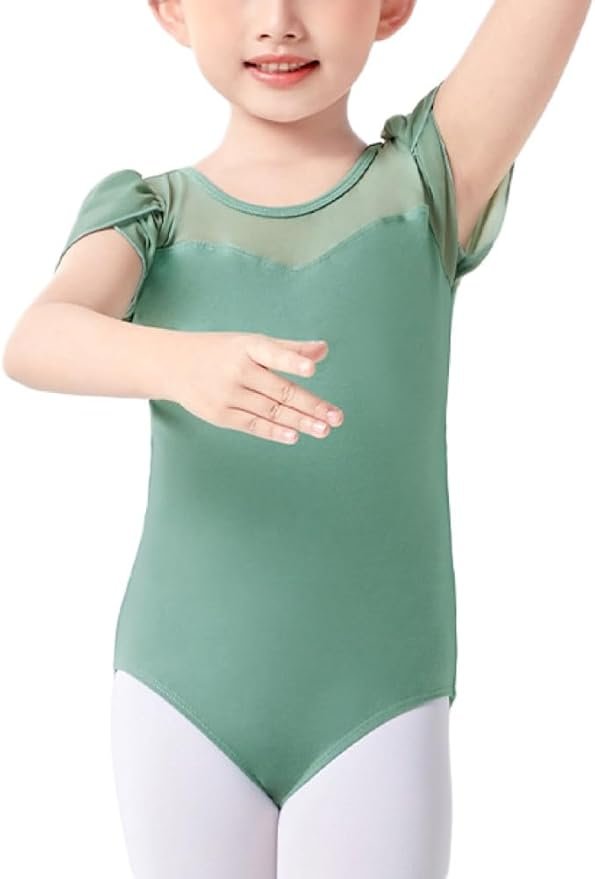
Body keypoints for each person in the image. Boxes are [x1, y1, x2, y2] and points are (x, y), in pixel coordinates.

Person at [3, 1, 591, 876]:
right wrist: (181, 363)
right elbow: (36, 339)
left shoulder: (430, 186)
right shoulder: (152, 212)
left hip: (379, 694)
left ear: (390, 6)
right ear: (171, 9)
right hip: (181, 692)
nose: (276, 21)